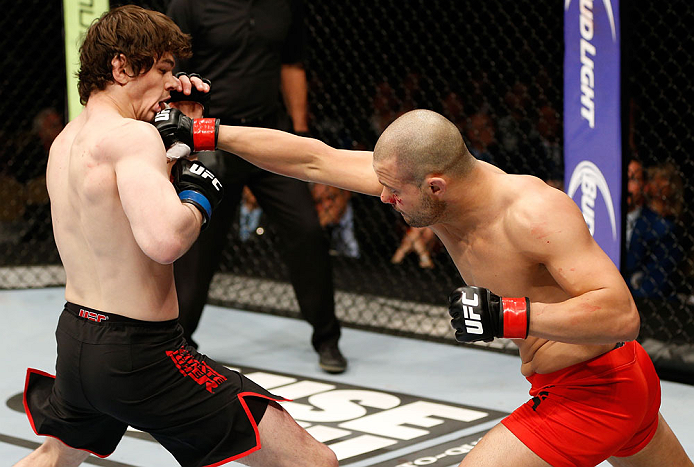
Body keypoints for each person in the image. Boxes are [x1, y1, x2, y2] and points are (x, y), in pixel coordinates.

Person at [156, 108, 693, 466]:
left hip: (597, 391)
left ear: (435, 185)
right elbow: (312, 158)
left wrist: (511, 316)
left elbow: (621, 315)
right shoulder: (428, 191)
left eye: (393, 192)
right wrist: (205, 133)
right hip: (602, 385)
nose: (384, 200)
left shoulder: (533, 213)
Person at [13, 5, 338, 467]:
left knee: (53, 457)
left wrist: (178, 147)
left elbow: (126, 213)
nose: (171, 81)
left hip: (77, 337)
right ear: (121, 66)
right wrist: (200, 187)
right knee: (312, 461)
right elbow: (165, 240)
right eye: (164, 69)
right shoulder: (133, 138)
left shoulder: (67, 139)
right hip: (142, 353)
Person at [166, 0, 346, 374]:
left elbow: (291, 65)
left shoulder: (282, 0)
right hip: (212, 136)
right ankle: (178, 344)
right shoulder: (191, 2)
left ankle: (327, 338)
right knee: (199, 245)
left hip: (268, 134)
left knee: (308, 232)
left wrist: (299, 134)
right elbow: (172, 73)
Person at [625, 159, 684, 299]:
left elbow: (652, 287)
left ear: (644, 186)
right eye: (622, 178)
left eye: (633, 180)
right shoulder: (598, 220)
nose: (625, 185)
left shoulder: (660, 229)